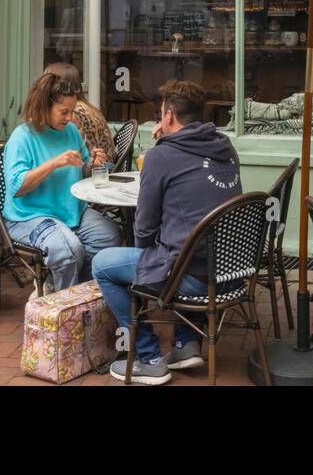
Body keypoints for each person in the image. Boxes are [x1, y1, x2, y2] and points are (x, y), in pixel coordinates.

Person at [94, 79, 241, 385]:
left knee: (105, 264)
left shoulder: (161, 156)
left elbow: (144, 230)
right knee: (185, 247)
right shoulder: (225, 147)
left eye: (161, 114)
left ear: (169, 115)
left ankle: (147, 357)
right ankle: (184, 344)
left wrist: (159, 150)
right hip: (232, 274)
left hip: (192, 280)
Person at [2, 73, 119, 292]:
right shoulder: (22, 137)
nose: (69, 117)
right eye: (64, 112)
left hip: (71, 209)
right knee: (67, 251)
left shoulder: (71, 131)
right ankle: (62, 306)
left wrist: (93, 164)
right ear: (43, 108)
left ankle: (78, 294)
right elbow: (17, 188)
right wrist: (55, 163)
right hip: (30, 215)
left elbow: (82, 169)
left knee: (108, 236)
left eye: (72, 111)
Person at [43, 62, 112, 158]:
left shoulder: (75, 112)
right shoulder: (85, 107)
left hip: (95, 167)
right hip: (103, 164)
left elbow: (69, 153)